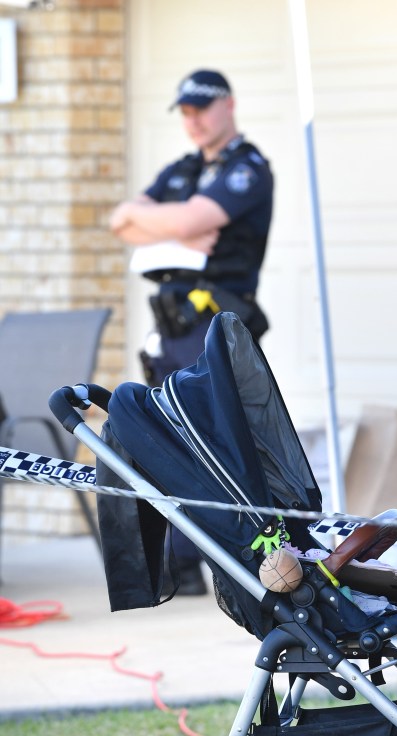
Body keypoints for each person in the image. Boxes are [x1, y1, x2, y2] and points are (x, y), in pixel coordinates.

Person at [109, 68, 274, 595]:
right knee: (168, 442)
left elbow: (168, 223)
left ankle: (232, 562)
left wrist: (166, 222)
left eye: (203, 107)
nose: (194, 119)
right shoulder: (182, 169)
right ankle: (179, 564)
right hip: (171, 328)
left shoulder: (248, 170)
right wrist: (183, 223)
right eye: (185, 110)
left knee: (216, 447)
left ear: (229, 104)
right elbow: (121, 220)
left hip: (214, 327)